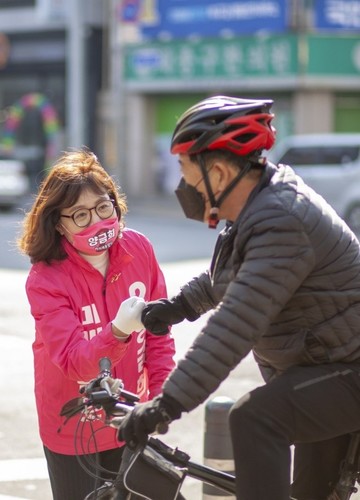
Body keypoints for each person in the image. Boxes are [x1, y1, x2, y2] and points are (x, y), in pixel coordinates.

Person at [117, 95, 360, 500]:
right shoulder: (259, 207)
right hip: (323, 370)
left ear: (217, 170)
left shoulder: (282, 218)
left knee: (255, 418)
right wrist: (178, 307)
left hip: (345, 371)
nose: (184, 187)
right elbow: (230, 279)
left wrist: (167, 404)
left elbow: (236, 323)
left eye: (186, 172)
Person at [17, 148, 176, 500]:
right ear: (58, 222)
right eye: (80, 215)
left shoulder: (139, 249)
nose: (96, 222)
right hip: (72, 425)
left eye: (103, 207)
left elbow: (159, 336)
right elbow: (75, 361)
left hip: (130, 417)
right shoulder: (46, 279)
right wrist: (118, 331)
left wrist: (162, 398)